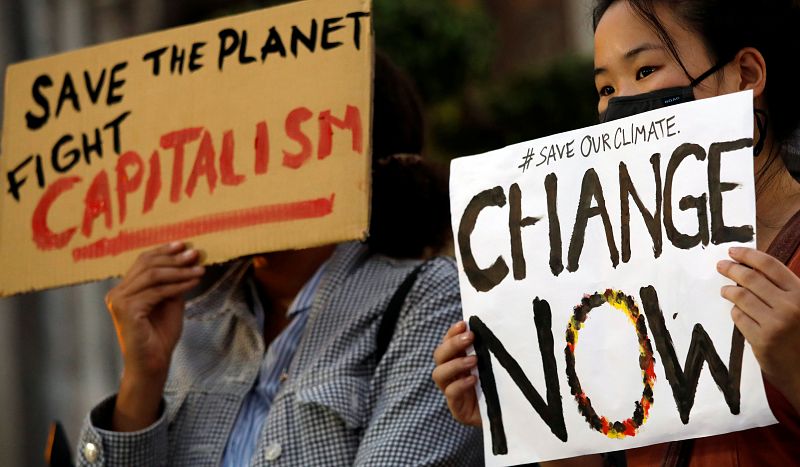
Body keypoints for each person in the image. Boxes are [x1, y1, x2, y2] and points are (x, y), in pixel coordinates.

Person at [432, 0, 800, 465]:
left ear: (745, 74)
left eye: (645, 71)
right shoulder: (610, 278)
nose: (620, 107)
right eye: (605, 88)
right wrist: (519, 411)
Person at [75, 52, 483, 466]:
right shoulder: (188, 324)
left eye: (261, 135)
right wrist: (141, 382)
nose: (226, 161)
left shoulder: (428, 297)